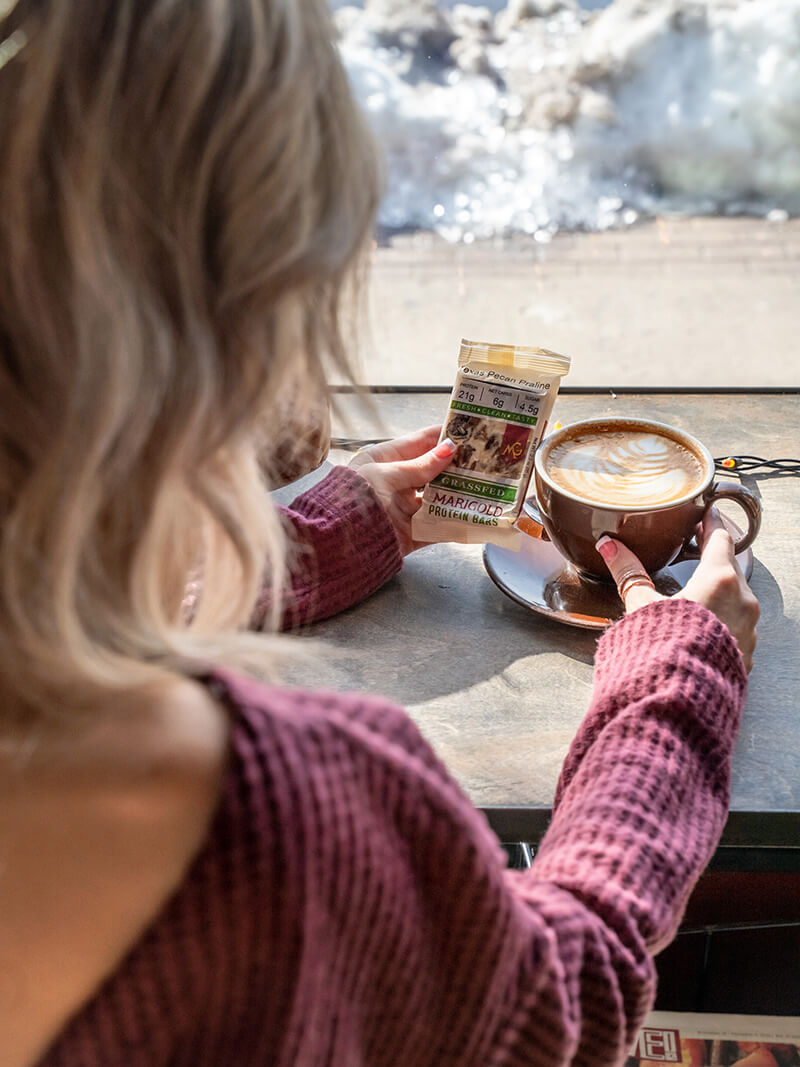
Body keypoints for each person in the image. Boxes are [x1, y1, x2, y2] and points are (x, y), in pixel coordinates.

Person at [0, 1, 759, 1065]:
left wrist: (305, 542)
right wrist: (677, 683)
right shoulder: (288, 820)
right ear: (243, 334)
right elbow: (565, 990)